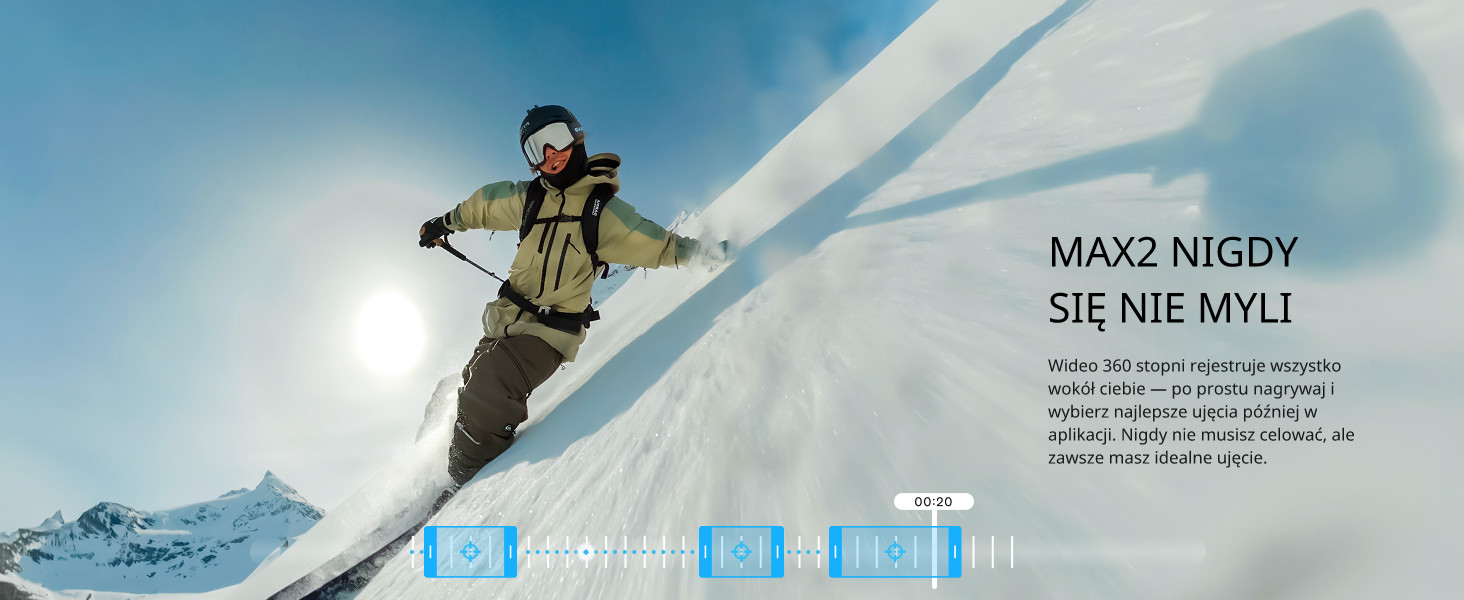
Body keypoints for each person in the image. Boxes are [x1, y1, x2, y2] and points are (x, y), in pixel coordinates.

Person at [418, 105, 727, 488]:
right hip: (504, 321)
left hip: (547, 332)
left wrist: (711, 253)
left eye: (557, 139)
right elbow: (484, 204)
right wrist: (443, 223)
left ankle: (464, 485)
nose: (551, 154)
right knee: (468, 383)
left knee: (487, 389)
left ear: (576, 137)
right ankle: (450, 470)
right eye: (537, 149)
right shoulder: (530, 199)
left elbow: (660, 245)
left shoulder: (602, 213)